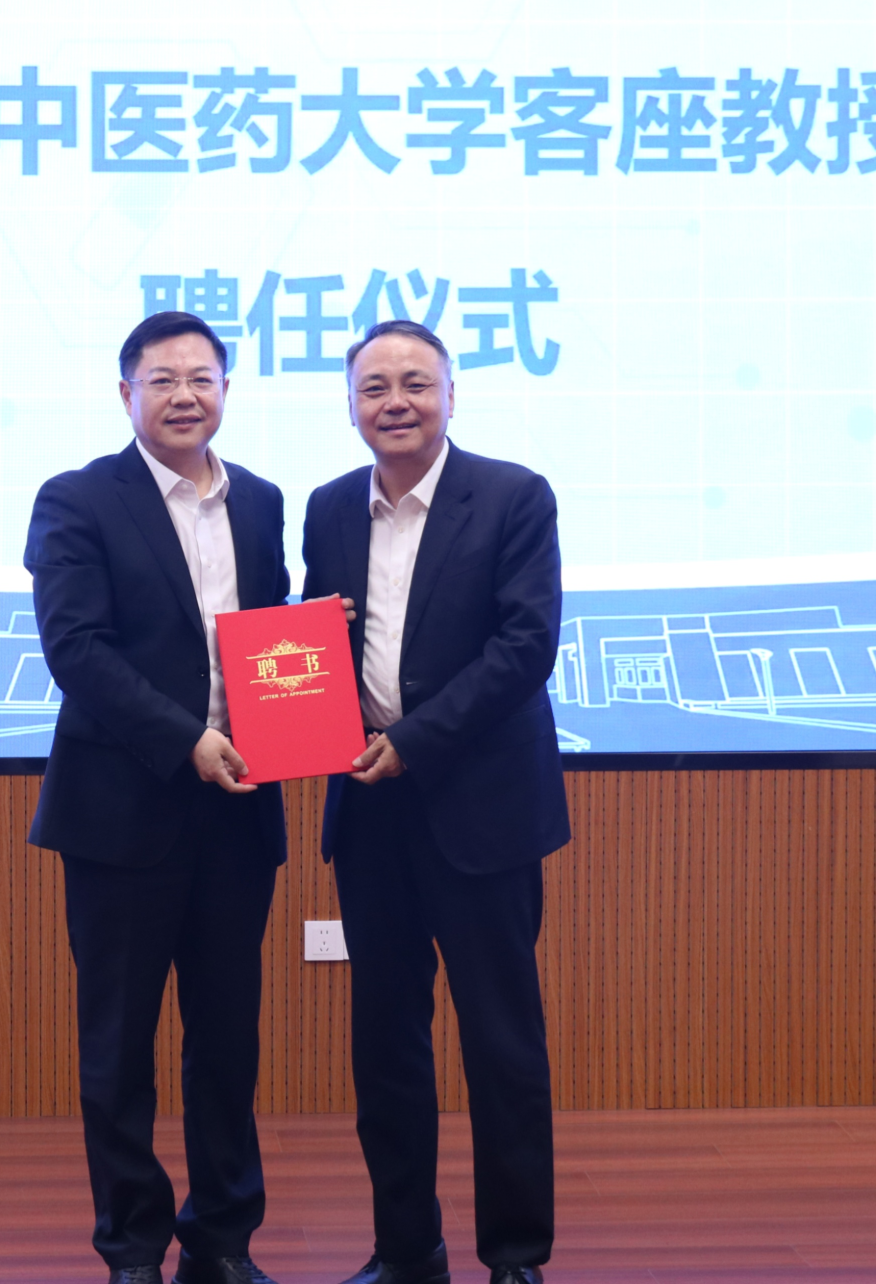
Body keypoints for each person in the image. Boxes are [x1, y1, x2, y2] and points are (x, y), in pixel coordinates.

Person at [25, 310, 293, 1284]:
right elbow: (76, 650)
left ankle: (221, 1239)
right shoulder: (77, 500)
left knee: (227, 1042)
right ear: (125, 392)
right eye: (163, 379)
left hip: (238, 813)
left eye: (201, 378)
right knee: (119, 1046)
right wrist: (186, 739)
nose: (185, 395)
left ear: (225, 389)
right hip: (121, 815)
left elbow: (269, 635)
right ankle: (132, 1246)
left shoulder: (259, 501)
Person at [300, 320, 571, 1284]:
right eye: (374, 387)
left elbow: (525, 647)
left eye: (416, 382)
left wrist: (413, 743)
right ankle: (406, 1250)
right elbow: (317, 645)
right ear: (351, 406)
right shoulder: (330, 508)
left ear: (453, 394)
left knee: (502, 1044)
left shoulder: (513, 496)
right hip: (370, 813)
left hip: (482, 809)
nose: (396, 402)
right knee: (386, 1047)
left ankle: (515, 1256)